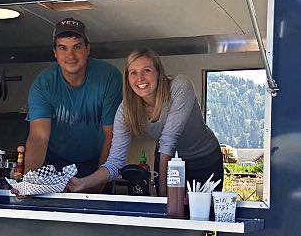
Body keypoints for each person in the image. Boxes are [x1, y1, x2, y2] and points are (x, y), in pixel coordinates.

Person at [67, 48, 223, 194]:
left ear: (158, 73)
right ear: (127, 78)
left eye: (146, 71)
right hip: (167, 158)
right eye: (133, 73)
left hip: (203, 158)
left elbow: (169, 140)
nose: (140, 78)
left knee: (203, 215)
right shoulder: (126, 109)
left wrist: (163, 198)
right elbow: (115, 162)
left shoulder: (180, 86)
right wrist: (82, 182)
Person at [24, 18, 122, 178]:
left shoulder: (109, 77)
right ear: (55, 52)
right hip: (53, 162)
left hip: (96, 161)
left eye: (77, 47)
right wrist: (29, 182)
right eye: (63, 48)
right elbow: (38, 137)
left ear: (87, 49)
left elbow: (110, 134)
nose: (70, 55)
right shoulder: (43, 84)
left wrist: (97, 181)